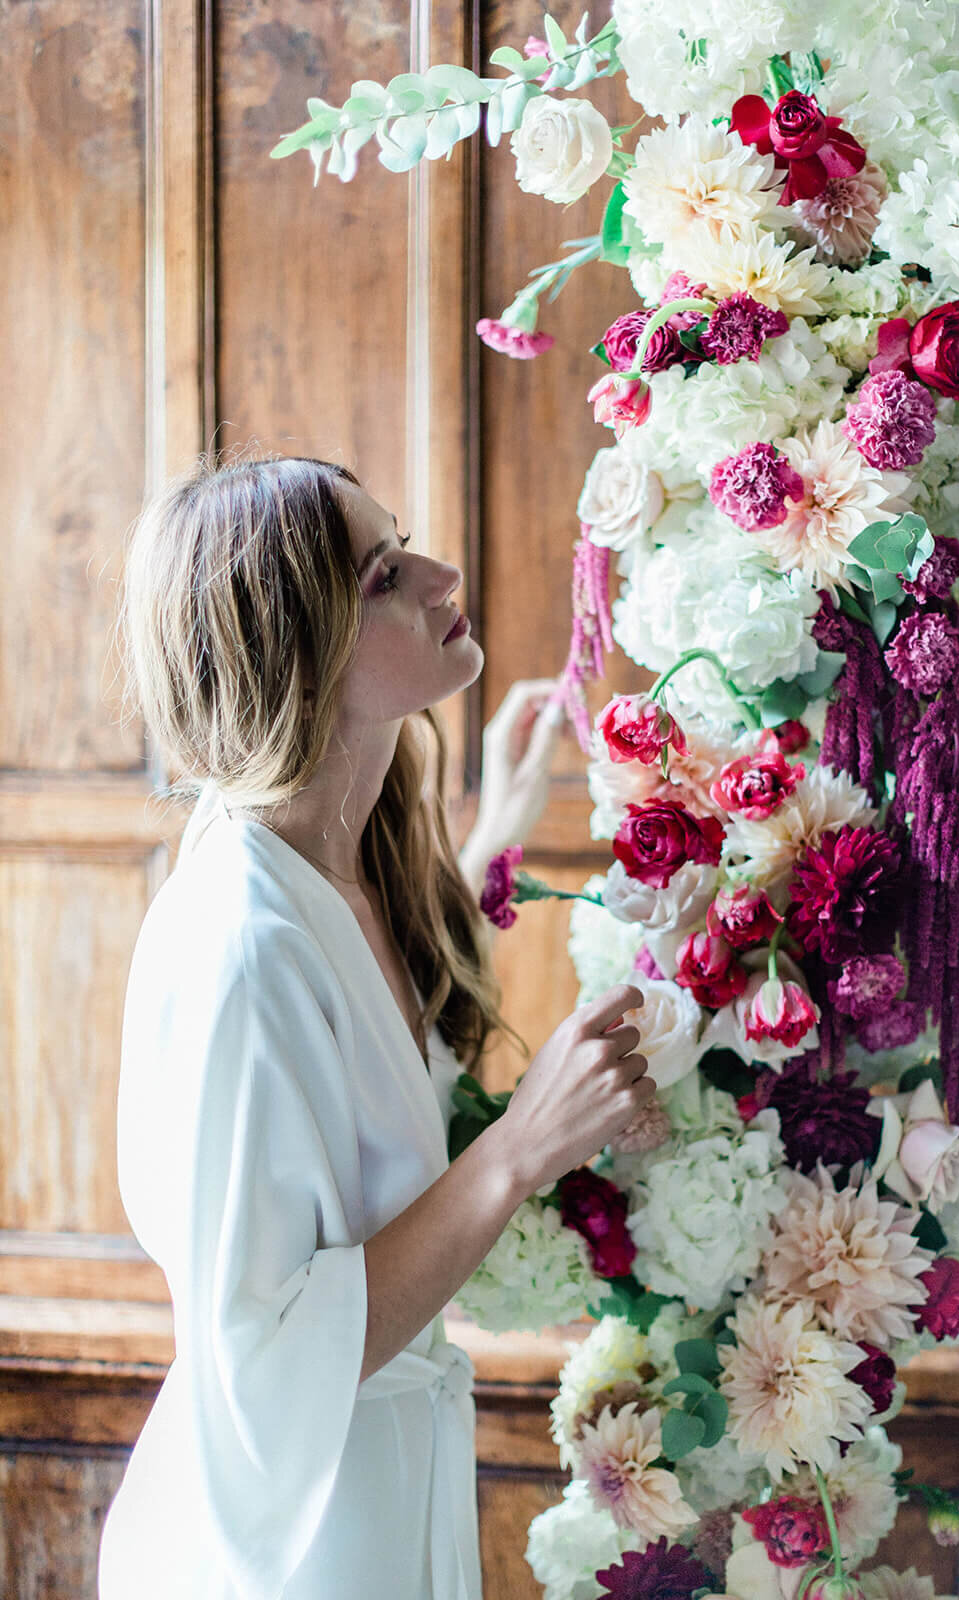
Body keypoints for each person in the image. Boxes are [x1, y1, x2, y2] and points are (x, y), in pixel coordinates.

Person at [96, 455, 653, 1600]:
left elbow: (370, 1030)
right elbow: (268, 1356)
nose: (445, 576)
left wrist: (495, 823)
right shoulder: (238, 948)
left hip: (385, 1491)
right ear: (300, 654)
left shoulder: (337, 854)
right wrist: (521, 1145)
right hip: (289, 1544)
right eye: (388, 572)